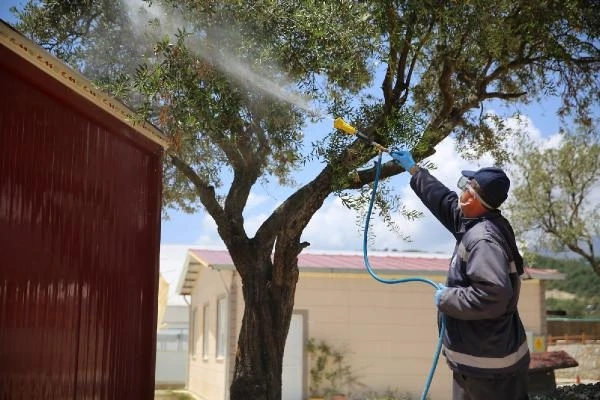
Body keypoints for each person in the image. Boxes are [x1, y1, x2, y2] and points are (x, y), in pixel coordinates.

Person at [390, 150, 530, 400]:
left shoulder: (483, 241)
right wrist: (414, 170)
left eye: (465, 186)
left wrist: (447, 299)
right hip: (488, 360)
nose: (460, 192)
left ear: (472, 199)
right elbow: (444, 202)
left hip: (488, 371)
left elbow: (493, 295)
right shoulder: (481, 222)